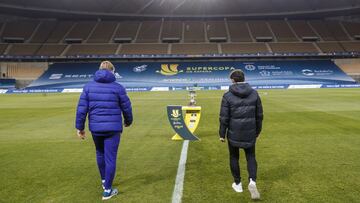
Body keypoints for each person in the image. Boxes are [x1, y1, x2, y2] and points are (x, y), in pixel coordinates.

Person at [75, 61, 133, 200]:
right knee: (110, 158)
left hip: (96, 128)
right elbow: (126, 106)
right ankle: (107, 190)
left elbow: (81, 109)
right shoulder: (118, 87)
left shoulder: (88, 87)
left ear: (99, 70)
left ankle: (104, 181)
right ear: (112, 71)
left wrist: (80, 128)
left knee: (100, 153)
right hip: (113, 128)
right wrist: (128, 121)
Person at [219, 69, 263, 200]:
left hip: (233, 133)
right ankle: (252, 182)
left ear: (232, 80)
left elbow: (224, 117)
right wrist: (258, 131)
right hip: (250, 132)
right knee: (251, 156)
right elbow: (259, 115)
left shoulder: (227, 96)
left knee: (234, 157)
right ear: (244, 78)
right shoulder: (254, 94)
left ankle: (238, 184)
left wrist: (222, 133)